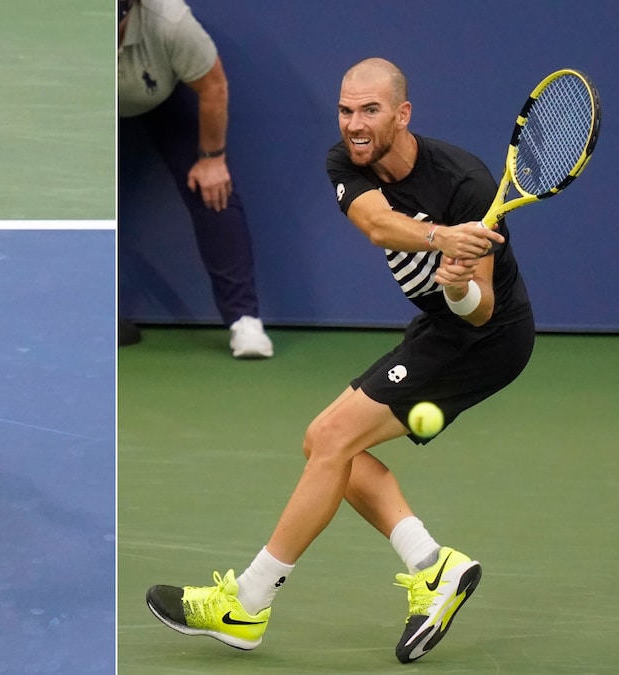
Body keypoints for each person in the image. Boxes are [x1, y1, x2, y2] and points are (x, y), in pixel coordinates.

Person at [145, 57, 534, 664]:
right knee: (325, 445)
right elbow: (378, 225)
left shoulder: (467, 182)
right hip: (438, 328)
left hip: (488, 338)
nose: (354, 123)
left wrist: (457, 281)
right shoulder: (344, 162)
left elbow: (480, 312)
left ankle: (247, 604)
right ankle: (433, 567)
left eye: (369, 110)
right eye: (346, 109)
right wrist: (441, 241)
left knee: (330, 440)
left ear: (402, 115)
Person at [117, 0, 273, 358]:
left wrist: (212, 158)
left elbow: (214, 86)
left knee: (213, 190)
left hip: (163, 100)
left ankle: (245, 321)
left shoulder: (169, 21)